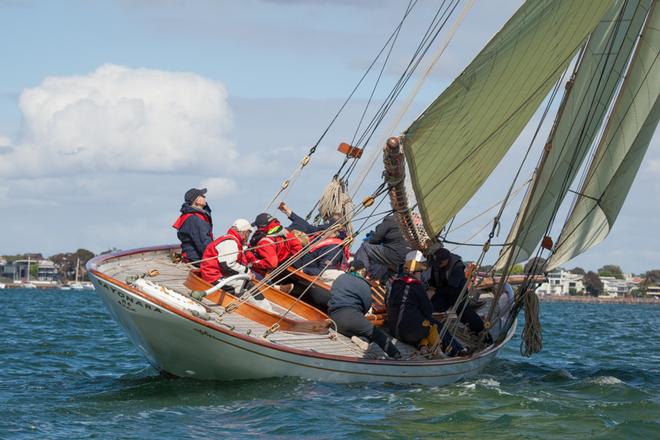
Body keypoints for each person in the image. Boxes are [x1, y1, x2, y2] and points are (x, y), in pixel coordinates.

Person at [387, 251, 464, 356]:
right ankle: (456, 351)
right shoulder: (416, 287)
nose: (421, 274)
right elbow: (428, 311)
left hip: (393, 330)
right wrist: (429, 295)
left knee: (422, 325)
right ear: (415, 272)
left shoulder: (395, 284)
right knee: (436, 325)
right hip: (408, 333)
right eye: (420, 272)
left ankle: (424, 347)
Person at [328, 261, 401, 359]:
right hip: (351, 316)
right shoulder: (363, 284)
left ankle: (361, 339)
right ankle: (396, 354)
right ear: (362, 271)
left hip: (333, 319)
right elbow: (367, 305)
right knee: (376, 334)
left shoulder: (340, 278)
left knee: (359, 329)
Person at [426, 248, 486, 338]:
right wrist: (429, 288)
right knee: (432, 306)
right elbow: (432, 278)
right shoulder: (436, 263)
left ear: (446, 260)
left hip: (456, 292)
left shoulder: (457, 267)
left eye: (440, 263)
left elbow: (451, 288)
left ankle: (481, 332)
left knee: (464, 312)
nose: (437, 265)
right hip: (441, 290)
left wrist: (434, 291)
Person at [200, 218, 256, 294]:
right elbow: (228, 265)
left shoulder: (229, 239)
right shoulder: (230, 242)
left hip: (214, 274)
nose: (248, 236)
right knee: (247, 286)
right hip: (214, 276)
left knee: (246, 283)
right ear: (245, 232)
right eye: (249, 233)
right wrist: (247, 271)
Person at [354, 214, 410, 281]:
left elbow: (376, 238)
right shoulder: (411, 223)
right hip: (406, 259)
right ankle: (384, 283)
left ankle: (360, 275)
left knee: (365, 247)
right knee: (392, 275)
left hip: (393, 254)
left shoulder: (391, 219)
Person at [172, 188, 213, 266]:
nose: (205, 197)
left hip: (194, 257)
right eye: (202, 196)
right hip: (196, 259)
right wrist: (215, 256)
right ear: (197, 201)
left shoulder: (193, 216)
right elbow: (203, 242)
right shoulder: (194, 219)